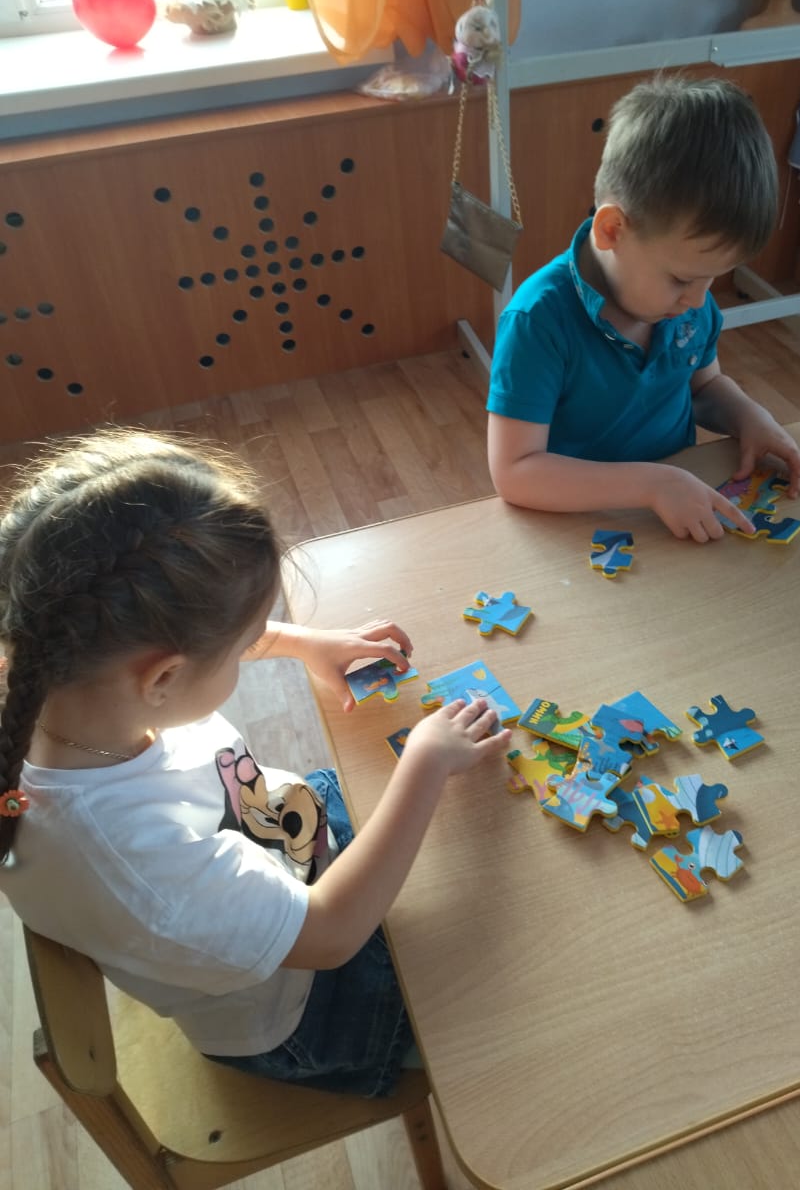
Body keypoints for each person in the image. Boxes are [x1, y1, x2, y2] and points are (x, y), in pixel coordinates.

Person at [0, 428, 510, 1097]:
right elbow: (330, 934)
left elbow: (179, 636)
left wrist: (303, 642)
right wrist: (425, 763)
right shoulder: (136, 859)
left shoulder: (54, 674)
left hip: (280, 839)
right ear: (163, 678)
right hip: (310, 1007)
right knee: (506, 995)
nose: (250, 649)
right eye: (242, 646)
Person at [486, 76, 800, 542]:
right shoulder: (537, 321)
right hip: (578, 531)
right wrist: (651, 485)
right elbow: (515, 471)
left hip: (675, 515)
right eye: (682, 279)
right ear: (612, 231)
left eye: (713, 278)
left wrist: (749, 417)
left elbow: (704, 386)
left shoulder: (685, 304)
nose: (698, 301)